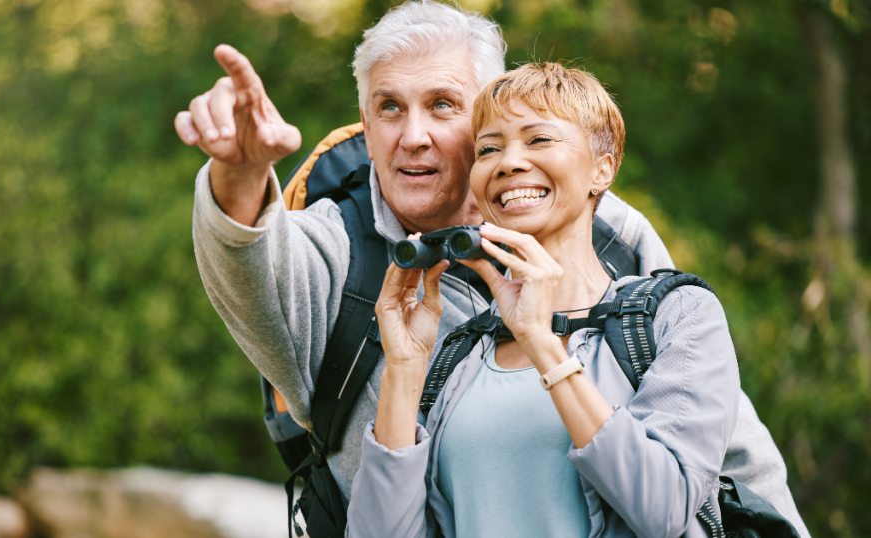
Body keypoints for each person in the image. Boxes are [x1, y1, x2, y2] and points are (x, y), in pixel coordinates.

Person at [176, 1, 807, 534]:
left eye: (444, 105)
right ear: (365, 126)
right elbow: (250, 263)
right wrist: (239, 172)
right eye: (389, 108)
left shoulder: (612, 232)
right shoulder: (337, 260)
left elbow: (722, 442)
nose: (413, 135)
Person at [349, 61, 737, 537]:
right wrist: (405, 370)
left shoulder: (677, 316)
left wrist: (541, 340)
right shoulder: (460, 357)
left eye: (539, 140)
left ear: (604, 166)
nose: (509, 162)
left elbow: (664, 508)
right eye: (489, 149)